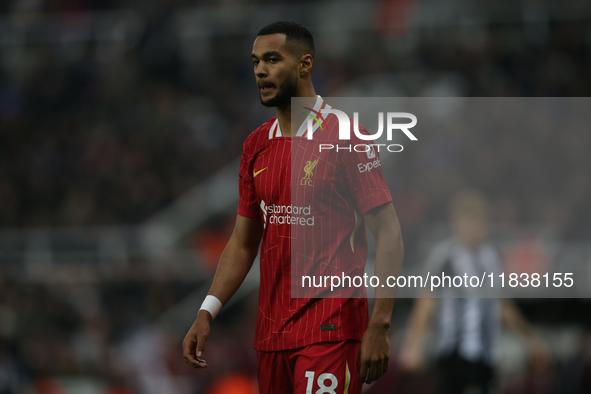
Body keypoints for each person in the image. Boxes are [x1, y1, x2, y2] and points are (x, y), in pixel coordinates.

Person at [182, 20, 404, 394]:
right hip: (272, 336)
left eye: (272, 59)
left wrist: (379, 324)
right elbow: (242, 242)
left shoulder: (346, 135)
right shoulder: (256, 145)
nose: (260, 71)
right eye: (255, 62)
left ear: (305, 64)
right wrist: (207, 311)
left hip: (331, 329)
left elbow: (390, 233)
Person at [400, 189, 547, 394]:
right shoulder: (445, 258)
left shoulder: (491, 257)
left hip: (487, 353)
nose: (475, 227)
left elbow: (502, 306)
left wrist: (530, 339)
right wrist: (413, 344)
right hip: (456, 350)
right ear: (456, 223)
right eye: (469, 220)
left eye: (479, 220)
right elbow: (427, 302)